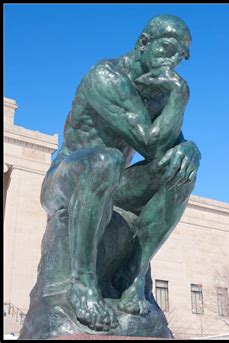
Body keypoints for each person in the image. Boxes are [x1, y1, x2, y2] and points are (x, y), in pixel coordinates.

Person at [40, 15, 200, 331]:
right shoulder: (106, 76)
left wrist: (190, 149)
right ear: (144, 43)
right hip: (67, 179)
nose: (173, 61)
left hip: (112, 182)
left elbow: (169, 150)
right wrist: (180, 96)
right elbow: (150, 141)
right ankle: (83, 283)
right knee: (106, 160)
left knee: (182, 171)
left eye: (180, 56)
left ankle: (132, 275)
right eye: (167, 49)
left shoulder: (160, 92)